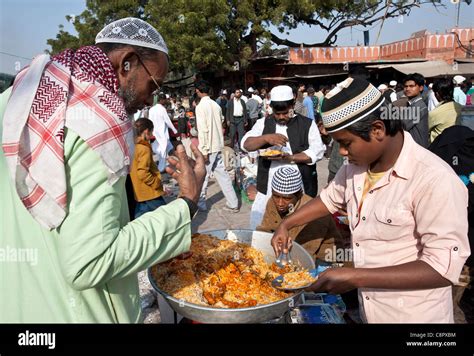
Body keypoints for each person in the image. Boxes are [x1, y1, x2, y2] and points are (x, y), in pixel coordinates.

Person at [0, 17, 206, 322]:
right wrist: (186, 202)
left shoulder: (13, 99)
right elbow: (89, 262)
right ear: (127, 63)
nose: (151, 99)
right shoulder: (97, 125)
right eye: (153, 84)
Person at [271, 77, 470, 323]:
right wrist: (286, 224)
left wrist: (354, 277)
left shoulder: (434, 179)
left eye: (346, 143)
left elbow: (442, 269)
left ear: (377, 130)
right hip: (371, 312)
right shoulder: (356, 166)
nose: (342, 152)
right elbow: (329, 199)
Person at [241, 85, 325, 229]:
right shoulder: (263, 123)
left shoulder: (307, 124)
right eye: (277, 113)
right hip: (268, 185)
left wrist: (289, 158)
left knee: (297, 226)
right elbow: (246, 144)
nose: (281, 117)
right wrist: (266, 138)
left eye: (285, 113)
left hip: (298, 186)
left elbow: (317, 152)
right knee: (263, 223)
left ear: (293, 105)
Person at [257, 166, 341, 262]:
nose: (280, 203)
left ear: (299, 194)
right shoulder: (272, 202)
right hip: (290, 250)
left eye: (287, 198)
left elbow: (305, 253)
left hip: (324, 258)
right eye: (276, 196)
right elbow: (264, 230)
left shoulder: (315, 214)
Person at [195, 80, 239, 213]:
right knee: (222, 175)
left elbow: (203, 130)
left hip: (208, 147)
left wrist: (203, 150)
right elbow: (221, 122)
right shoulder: (216, 105)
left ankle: (201, 203)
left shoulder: (201, 107)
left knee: (203, 176)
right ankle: (233, 203)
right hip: (217, 144)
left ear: (198, 91)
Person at [130, 118, 167, 219]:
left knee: (140, 220)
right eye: (151, 132)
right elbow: (142, 172)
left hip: (139, 191)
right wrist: (156, 182)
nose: (151, 135)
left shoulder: (133, 146)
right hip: (150, 191)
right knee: (166, 218)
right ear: (146, 131)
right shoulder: (144, 148)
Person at [396, 73, 429, 148]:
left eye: (411, 86)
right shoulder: (411, 104)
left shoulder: (419, 106)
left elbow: (403, 124)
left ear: (420, 88)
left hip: (418, 148)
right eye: (406, 86)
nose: (407, 89)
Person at [149, 93, 177, 172]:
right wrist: (174, 130)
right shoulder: (162, 109)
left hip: (154, 132)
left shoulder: (151, 109)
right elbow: (167, 121)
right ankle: (161, 169)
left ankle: (179, 162)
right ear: (162, 100)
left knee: (168, 149)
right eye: (165, 99)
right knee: (163, 152)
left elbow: (149, 121)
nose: (165, 101)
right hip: (162, 133)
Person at [428, 78, 462, 143]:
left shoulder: (435, 113)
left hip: (438, 149)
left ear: (437, 94)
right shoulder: (460, 108)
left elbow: (425, 130)